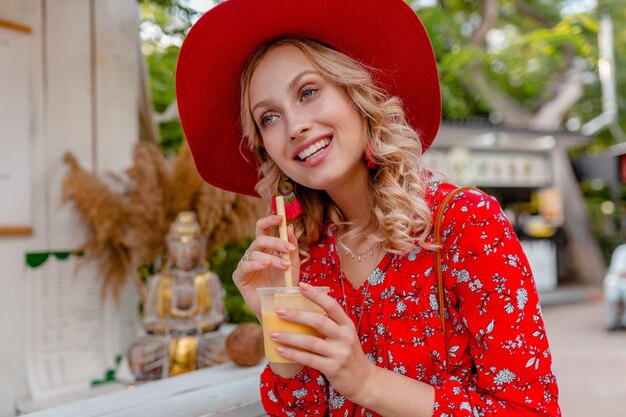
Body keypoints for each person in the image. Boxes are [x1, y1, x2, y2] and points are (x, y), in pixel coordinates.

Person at [175, 0, 561, 415]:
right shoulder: (305, 253)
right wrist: (277, 316)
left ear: (358, 94)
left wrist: (365, 381)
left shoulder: (465, 223)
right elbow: (302, 409)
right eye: (268, 118)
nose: (294, 126)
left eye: (308, 92)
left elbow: (531, 410)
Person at [604, 243, 626, 331]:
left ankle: (624, 323)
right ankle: (611, 323)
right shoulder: (621, 251)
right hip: (616, 283)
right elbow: (617, 270)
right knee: (611, 297)